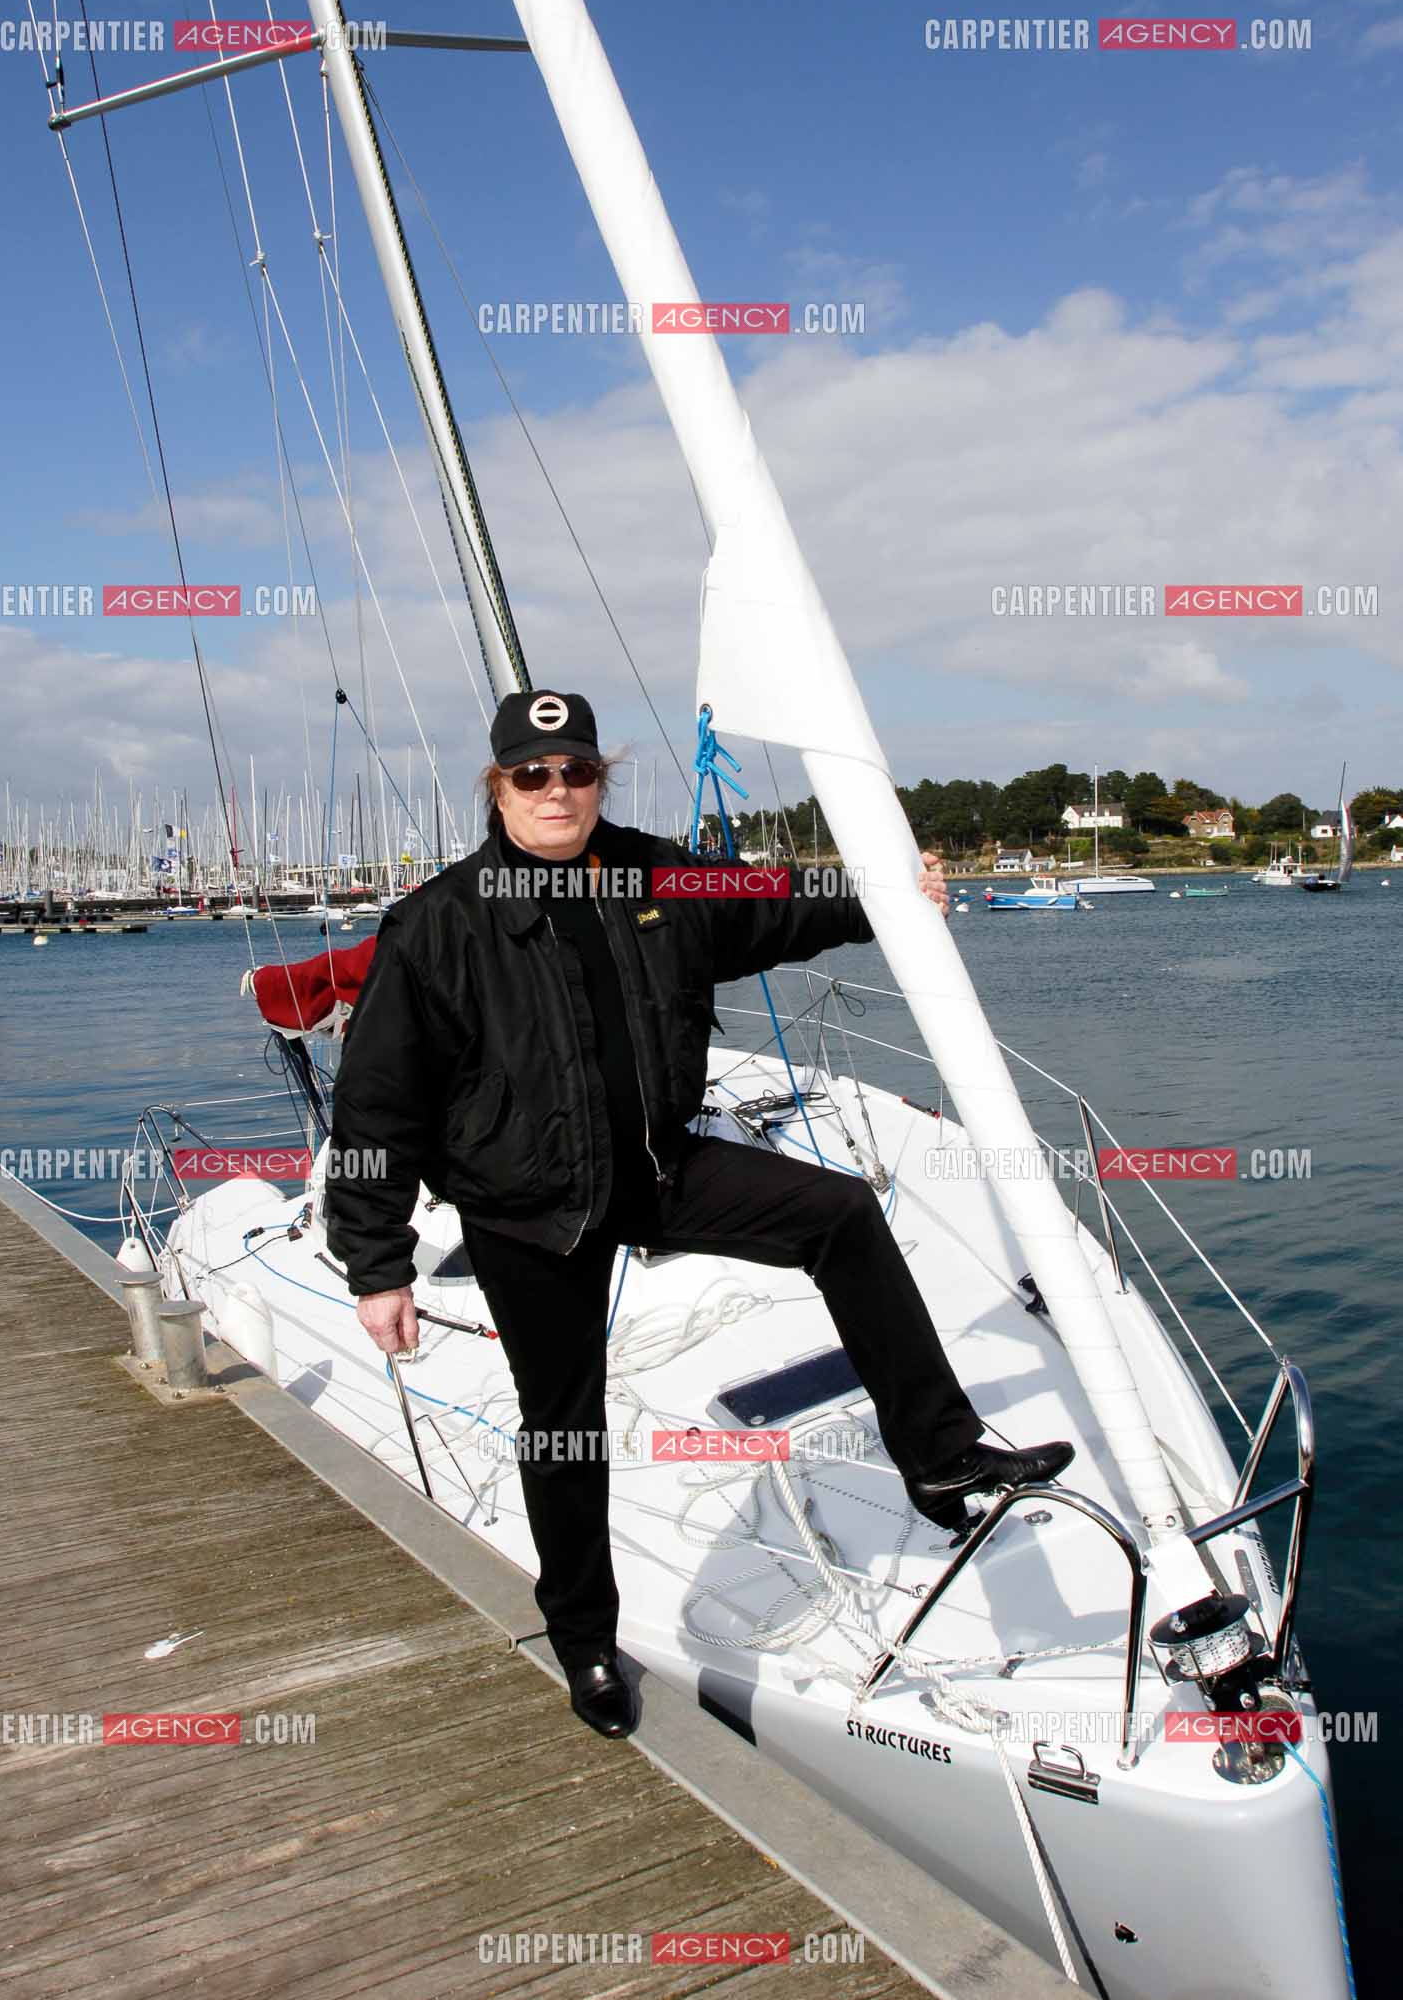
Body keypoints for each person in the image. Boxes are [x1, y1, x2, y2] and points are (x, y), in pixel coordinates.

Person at [325, 691, 1073, 1739]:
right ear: (498, 787)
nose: (557, 791)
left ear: (600, 778)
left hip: (652, 1168)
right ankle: (584, 1637)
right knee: (565, 1425)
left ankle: (940, 1451)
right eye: (533, 774)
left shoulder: (656, 873)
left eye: (576, 771)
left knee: (840, 1214)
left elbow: (770, 904)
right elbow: (377, 1107)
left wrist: (886, 895)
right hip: (529, 1209)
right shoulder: (441, 924)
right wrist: (378, 1264)